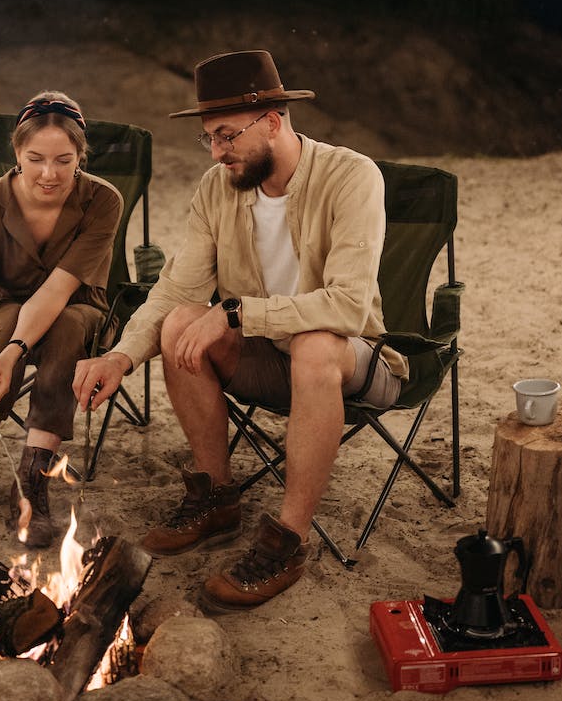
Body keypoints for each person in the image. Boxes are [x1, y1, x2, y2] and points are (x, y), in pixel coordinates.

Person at [73, 50, 406, 611]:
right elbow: (178, 292)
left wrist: (236, 314)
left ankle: (287, 539)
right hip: (266, 360)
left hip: (351, 363)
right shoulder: (216, 187)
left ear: (272, 122)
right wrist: (120, 358)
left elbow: (347, 307)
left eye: (226, 136)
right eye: (209, 138)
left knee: (315, 343)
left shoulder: (352, 176)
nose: (217, 151)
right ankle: (216, 497)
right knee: (182, 321)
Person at [0, 91, 123, 546]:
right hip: (3, 309)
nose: (49, 174)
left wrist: (14, 353)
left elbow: (57, 292)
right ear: (16, 153)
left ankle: (32, 479)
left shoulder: (102, 201)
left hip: (77, 306)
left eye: (64, 160)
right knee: (3, 321)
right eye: (35, 158)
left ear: (80, 156)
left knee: (65, 329)